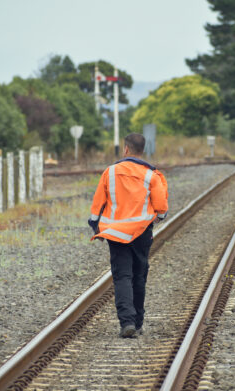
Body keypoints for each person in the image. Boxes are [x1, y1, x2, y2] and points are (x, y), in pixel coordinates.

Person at [88, 133, 168, 338]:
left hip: (116, 233)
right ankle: (138, 322)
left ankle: (127, 323)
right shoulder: (152, 175)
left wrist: (95, 225)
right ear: (143, 151)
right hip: (141, 233)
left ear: (125, 149)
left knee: (122, 275)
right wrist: (158, 217)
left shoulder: (110, 172)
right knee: (139, 275)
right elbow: (161, 208)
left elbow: (97, 204)